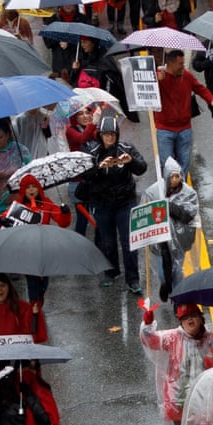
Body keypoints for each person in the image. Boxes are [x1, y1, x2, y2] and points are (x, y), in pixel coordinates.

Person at [75, 114, 148, 293]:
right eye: (106, 134)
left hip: (125, 202)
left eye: (112, 134)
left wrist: (130, 162)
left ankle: (133, 280)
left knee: (128, 241)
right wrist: (99, 167)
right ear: (100, 135)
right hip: (101, 204)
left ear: (117, 134)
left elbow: (142, 168)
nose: (109, 137)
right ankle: (111, 272)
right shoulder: (91, 152)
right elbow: (84, 175)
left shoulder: (126, 148)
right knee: (107, 241)